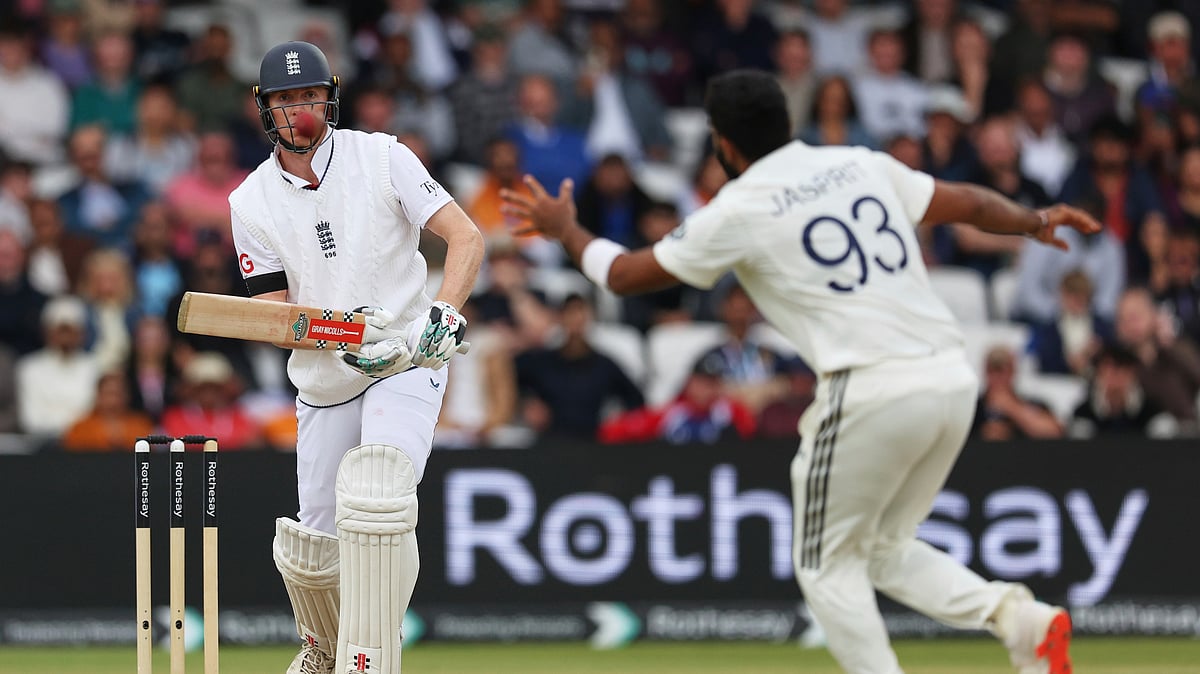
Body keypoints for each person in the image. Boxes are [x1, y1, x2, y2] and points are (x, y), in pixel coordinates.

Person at [502, 69, 1100, 674]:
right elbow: (967, 202)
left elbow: (625, 275)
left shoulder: (738, 207)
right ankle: (1018, 620)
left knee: (823, 565)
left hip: (871, 388)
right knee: (883, 550)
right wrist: (1033, 221)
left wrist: (566, 230)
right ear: (787, 123)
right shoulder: (861, 164)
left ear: (723, 143)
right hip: (949, 377)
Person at [229, 42, 483, 674]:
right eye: (285, 100)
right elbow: (279, 321)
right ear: (264, 110)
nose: (299, 110)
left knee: (378, 497)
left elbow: (465, 237)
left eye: (309, 95)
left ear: (329, 98)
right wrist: (343, 335)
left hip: (407, 359)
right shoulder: (249, 201)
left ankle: (370, 657)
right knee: (314, 548)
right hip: (324, 378)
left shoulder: (382, 156)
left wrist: (443, 314)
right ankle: (323, 646)